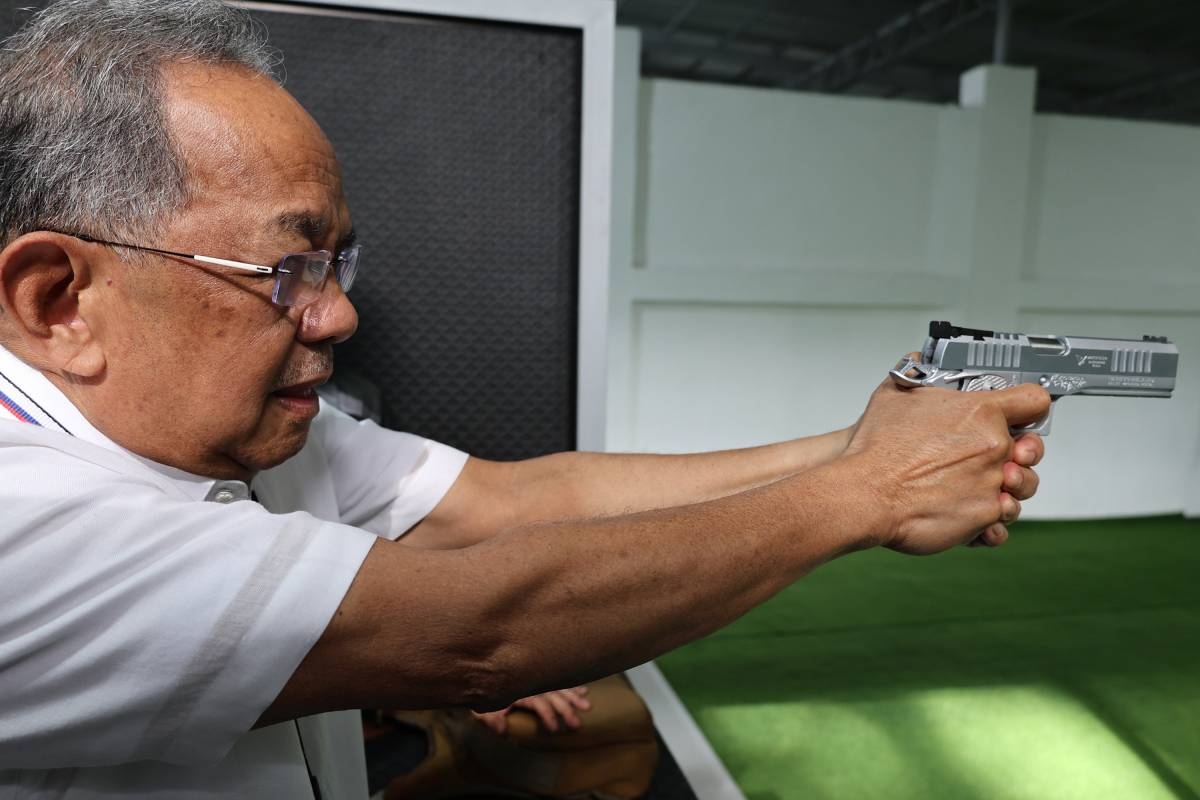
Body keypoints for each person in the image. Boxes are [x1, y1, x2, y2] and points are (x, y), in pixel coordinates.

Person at [0, 0, 1050, 797]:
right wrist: (873, 491)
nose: (334, 317)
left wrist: (862, 446)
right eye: (286, 272)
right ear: (59, 300)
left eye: (334, 264)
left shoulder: (240, 432)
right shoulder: (23, 523)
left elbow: (519, 500)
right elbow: (480, 630)